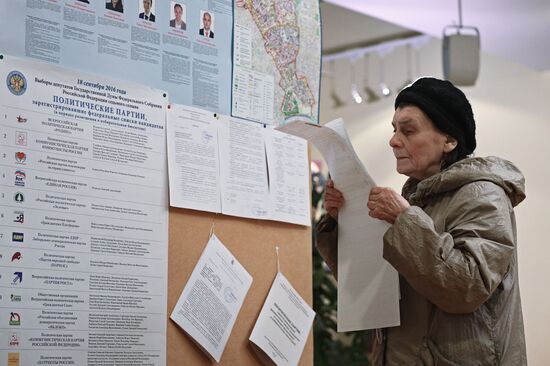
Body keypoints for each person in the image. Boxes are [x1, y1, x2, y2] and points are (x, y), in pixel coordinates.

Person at [316, 77, 527, 365]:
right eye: (394, 130)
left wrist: (403, 220)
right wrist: (343, 222)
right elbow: (376, 287)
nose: (393, 140)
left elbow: (465, 287)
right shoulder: (415, 200)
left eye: (408, 130)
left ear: (449, 140)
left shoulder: (483, 195)